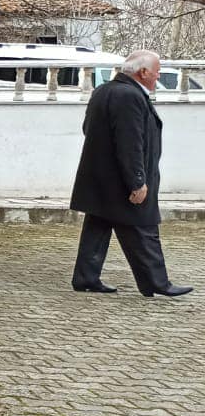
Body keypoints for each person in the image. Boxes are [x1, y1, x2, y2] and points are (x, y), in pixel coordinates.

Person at [70, 50, 192, 297]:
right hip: (122, 179)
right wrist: (137, 181)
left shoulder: (103, 91)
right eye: (157, 71)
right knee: (143, 227)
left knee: (98, 225)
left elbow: (88, 129)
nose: (158, 76)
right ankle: (157, 283)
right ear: (143, 72)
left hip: (101, 177)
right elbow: (130, 142)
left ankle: (86, 278)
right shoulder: (129, 95)